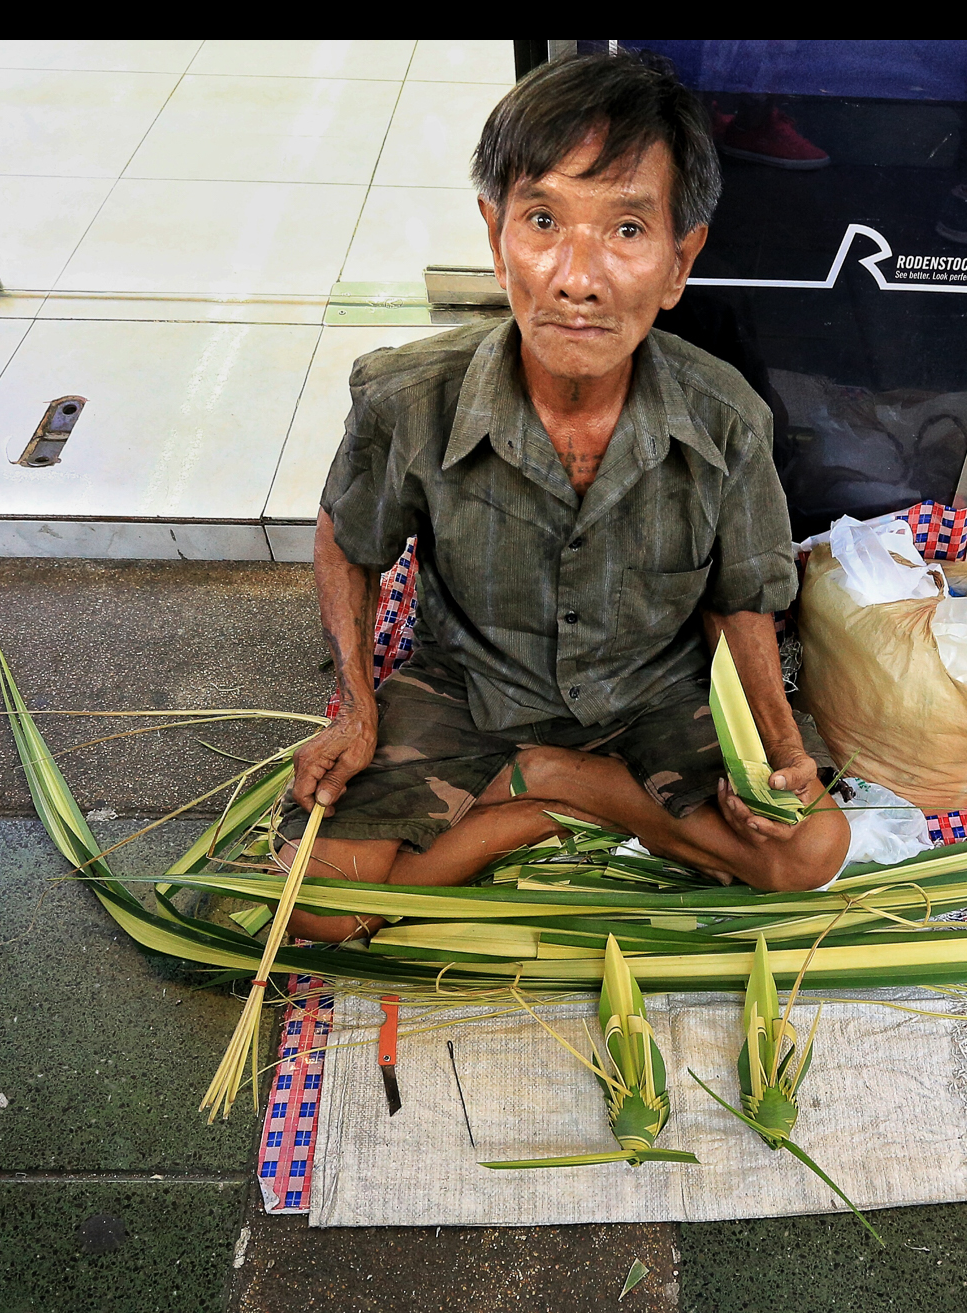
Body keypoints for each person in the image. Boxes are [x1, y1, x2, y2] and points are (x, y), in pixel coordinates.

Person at [280, 50, 848, 943]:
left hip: (653, 694)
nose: (576, 279)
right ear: (494, 233)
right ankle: (562, 798)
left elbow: (741, 601)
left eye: (627, 230)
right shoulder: (406, 399)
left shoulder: (726, 419)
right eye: (542, 220)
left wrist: (782, 754)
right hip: (471, 687)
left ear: (678, 261)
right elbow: (347, 542)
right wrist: (356, 709)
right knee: (314, 908)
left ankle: (567, 784)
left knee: (807, 854)